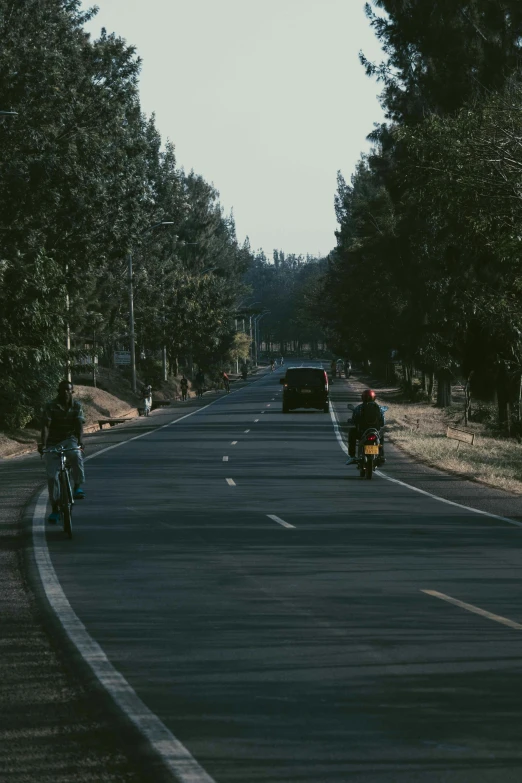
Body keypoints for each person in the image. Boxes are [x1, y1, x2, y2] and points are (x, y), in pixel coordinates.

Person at [39, 380, 85, 524]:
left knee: (76, 455)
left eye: (68, 390)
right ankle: (54, 509)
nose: (66, 392)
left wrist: (80, 441)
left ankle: (77, 486)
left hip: (69, 439)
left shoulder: (77, 406)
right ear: (58, 391)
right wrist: (43, 444)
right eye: (63, 390)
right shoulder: (50, 406)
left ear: (72, 391)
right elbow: (46, 426)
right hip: (53, 442)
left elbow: (79, 425)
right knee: (52, 477)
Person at [346, 389, 386, 465]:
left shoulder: (359, 408)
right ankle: (381, 455)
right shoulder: (379, 408)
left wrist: (352, 421)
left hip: (362, 432)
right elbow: (383, 423)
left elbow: (354, 420)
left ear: (363, 398)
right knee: (381, 437)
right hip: (375, 432)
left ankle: (352, 456)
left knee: (352, 432)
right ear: (374, 397)